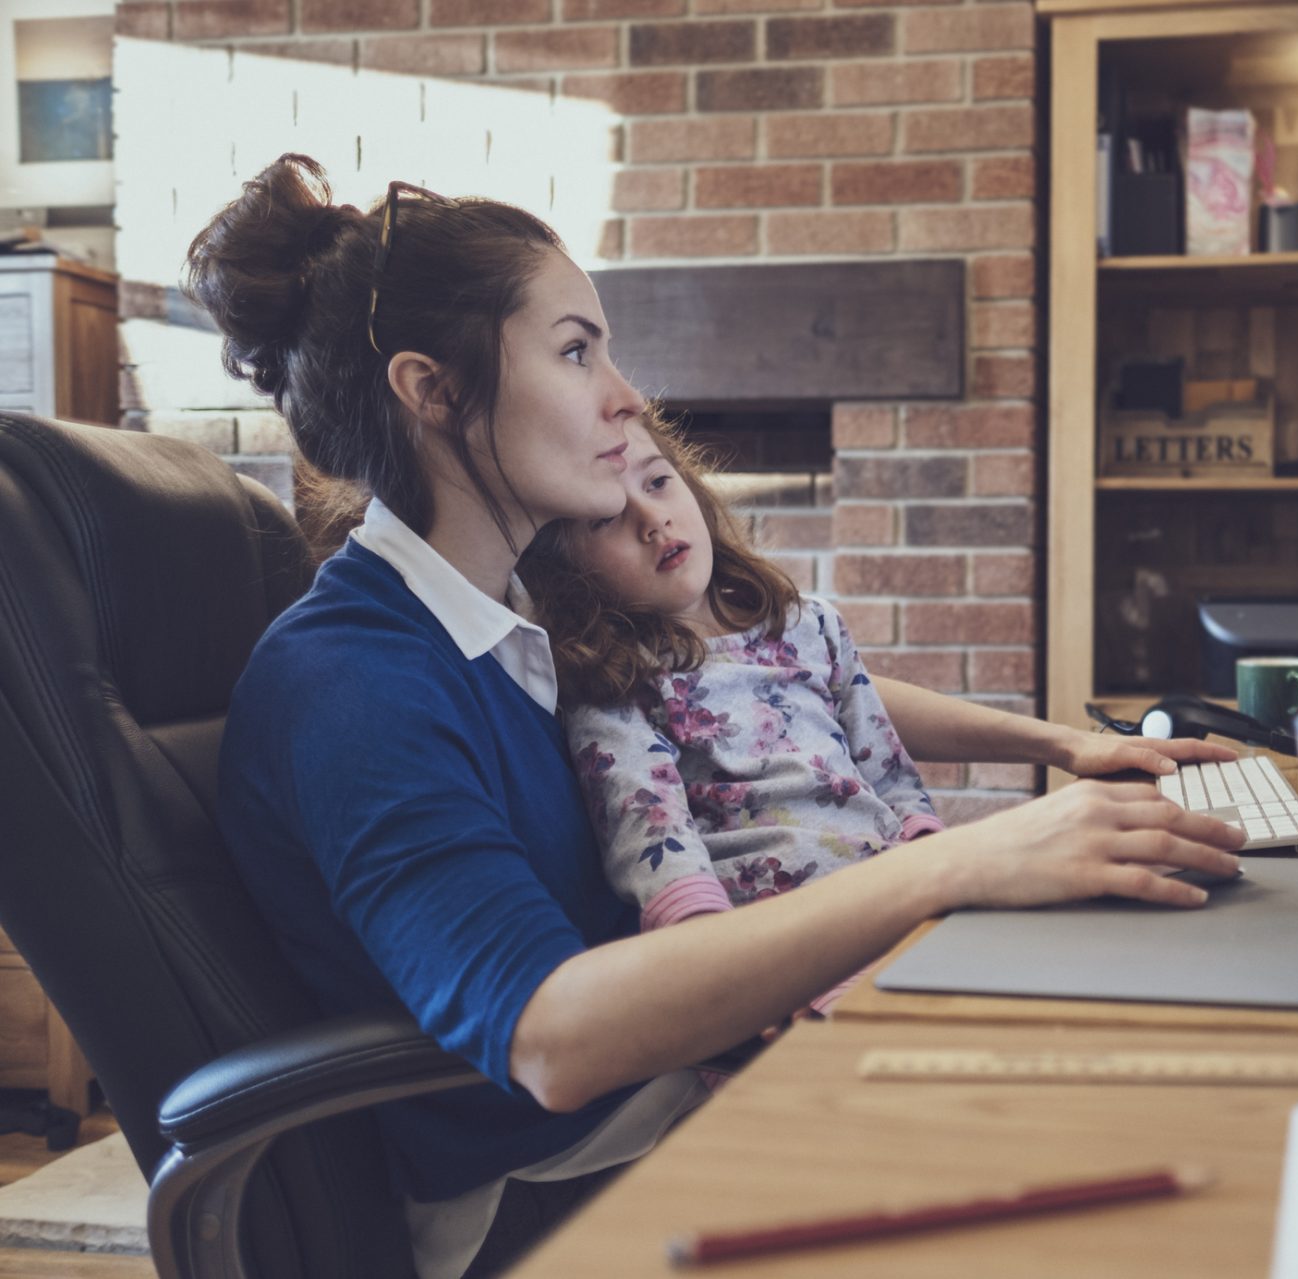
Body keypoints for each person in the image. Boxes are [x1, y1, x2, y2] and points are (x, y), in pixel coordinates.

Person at [190, 154, 1243, 1279]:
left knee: (1134, 1049)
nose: (625, 396)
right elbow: (552, 1039)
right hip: (565, 1184)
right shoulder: (356, 682)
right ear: (431, 390)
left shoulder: (499, 613)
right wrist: (955, 865)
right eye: (574, 349)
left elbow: (754, 682)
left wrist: (1057, 746)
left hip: (689, 1078)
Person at [514, 415, 942, 1020]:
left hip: (895, 898)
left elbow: (889, 769)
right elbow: (655, 842)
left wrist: (930, 863)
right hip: (776, 943)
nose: (652, 520)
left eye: (659, 482)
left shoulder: (812, 624)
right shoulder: (617, 681)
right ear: (568, 572)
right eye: (607, 518)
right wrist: (726, 986)